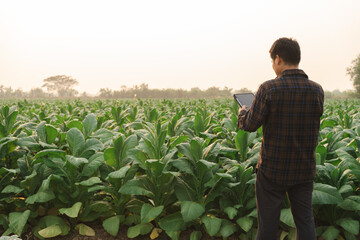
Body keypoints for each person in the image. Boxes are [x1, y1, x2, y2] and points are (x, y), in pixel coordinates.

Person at [237, 37, 324, 240]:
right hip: (303, 169)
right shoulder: (317, 90)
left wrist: (243, 113)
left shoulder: (268, 88)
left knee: (267, 226)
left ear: (277, 59)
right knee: (305, 222)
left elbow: (250, 125)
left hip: (272, 170)